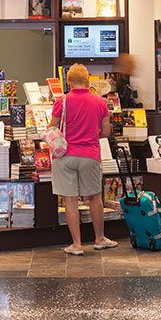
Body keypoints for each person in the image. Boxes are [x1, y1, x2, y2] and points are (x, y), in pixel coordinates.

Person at [50, 63, 117, 255]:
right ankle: (99, 239)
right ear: (88, 81)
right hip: (90, 154)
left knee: (70, 200)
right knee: (95, 198)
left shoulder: (61, 101)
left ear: (69, 81)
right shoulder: (100, 102)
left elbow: (51, 127)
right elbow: (105, 132)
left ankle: (77, 245)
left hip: (65, 156)